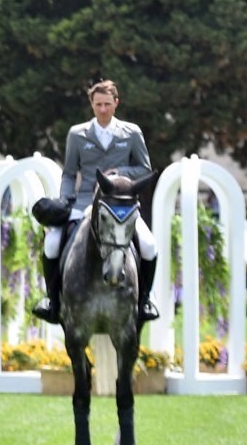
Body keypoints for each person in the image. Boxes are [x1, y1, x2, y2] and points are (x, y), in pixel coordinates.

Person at [35, 79, 159, 323]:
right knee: (51, 244)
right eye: (98, 104)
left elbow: (144, 168)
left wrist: (120, 171)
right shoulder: (77, 134)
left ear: (116, 104)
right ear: (92, 105)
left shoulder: (131, 132)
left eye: (107, 104)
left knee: (149, 245)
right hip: (84, 203)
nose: (103, 109)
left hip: (122, 203)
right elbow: (70, 172)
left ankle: (144, 300)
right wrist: (65, 199)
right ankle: (52, 301)